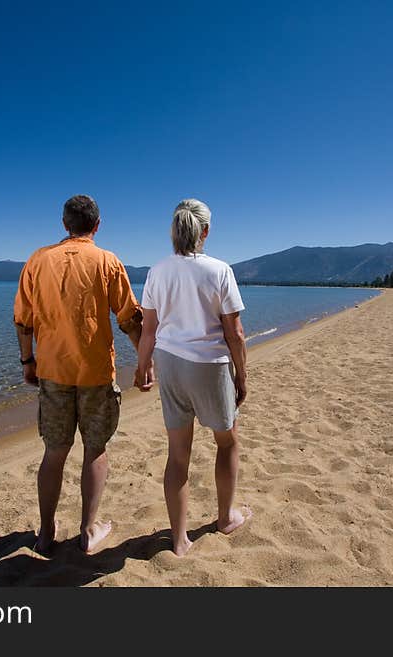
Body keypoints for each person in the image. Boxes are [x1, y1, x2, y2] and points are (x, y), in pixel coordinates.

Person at [13, 194, 142, 554]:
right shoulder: (107, 261)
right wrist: (147, 362)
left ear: (64, 224)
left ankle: (44, 532)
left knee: (54, 452)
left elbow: (23, 320)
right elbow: (130, 319)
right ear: (97, 226)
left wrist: (28, 362)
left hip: (52, 371)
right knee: (95, 449)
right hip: (96, 374)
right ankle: (87, 530)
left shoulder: (38, 261)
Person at [135, 198, 251, 557]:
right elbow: (235, 333)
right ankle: (225, 517)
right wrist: (242, 375)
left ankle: (180, 539)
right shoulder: (219, 270)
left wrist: (142, 367)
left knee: (178, 454)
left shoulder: (157, 271)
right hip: (209, 365)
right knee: (227, 442)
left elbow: (149, 330)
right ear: (205, 231)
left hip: (170, 364)